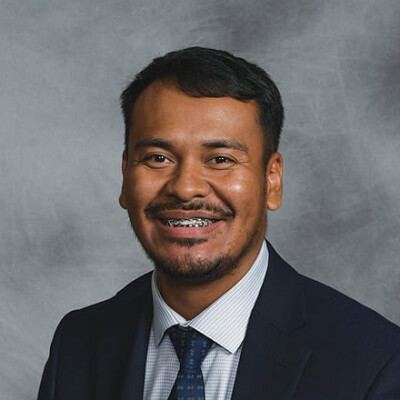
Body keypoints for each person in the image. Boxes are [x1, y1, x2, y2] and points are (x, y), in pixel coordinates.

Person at [38, 47, 400, 400]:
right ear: (125, 175)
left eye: (220, 159)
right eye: (158, 158)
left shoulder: (375, 363)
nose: (185, 187)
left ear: (272, 180)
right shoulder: (79, 342)